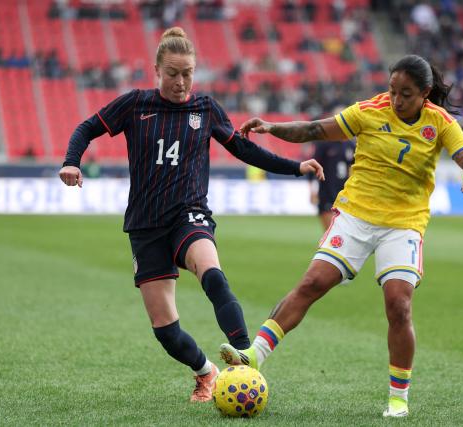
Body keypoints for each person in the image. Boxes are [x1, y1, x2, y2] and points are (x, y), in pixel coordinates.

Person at [58, 27, 324, 403]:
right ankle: (206, 373)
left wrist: (296, 168)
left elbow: (245, 151)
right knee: (165, 330)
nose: (181, 82)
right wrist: (71, 162)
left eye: (188, 73)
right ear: (156, 70)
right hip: (146, 224)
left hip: (189, 214)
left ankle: (246, 361)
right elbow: (87, 128)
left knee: (212, 275)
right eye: (172, 73)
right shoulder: (135, 105)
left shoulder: (206, 109)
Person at [220, 54, 463, 417]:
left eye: (405, 94)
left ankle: (398, 398)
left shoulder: (440, 123)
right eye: (392, 90)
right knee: (313, 282)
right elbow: (315, 129)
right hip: (356, 215)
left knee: (399, 304)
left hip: (404, 222)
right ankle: (255, 354)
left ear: (425, 93)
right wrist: (273, 127)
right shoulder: (369, 110)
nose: (395, 100)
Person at [309, 136, 355, 230]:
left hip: (345, 194)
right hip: (327, 193)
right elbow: (313, 168)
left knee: (343, 233)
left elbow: (356, 167)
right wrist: (312, 190)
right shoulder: (324, 144)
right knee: (330, 232)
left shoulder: (351, 145)